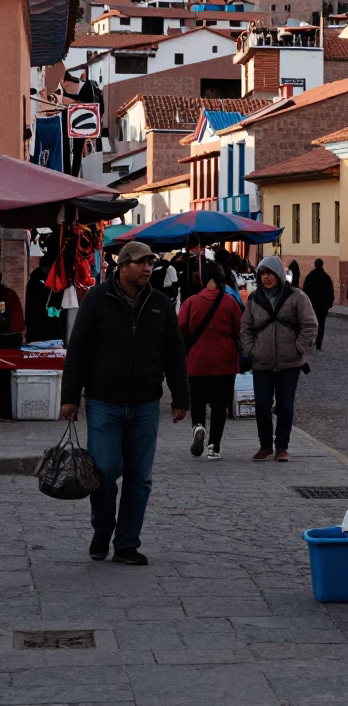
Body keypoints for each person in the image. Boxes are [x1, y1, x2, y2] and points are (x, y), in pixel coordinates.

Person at [59, 241, 189, 566]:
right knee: (102, 471)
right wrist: (69, 397)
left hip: (146, 403)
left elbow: (174, 353)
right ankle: (103, 529)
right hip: (104, 401)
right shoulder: (97, 300)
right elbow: (78, 350)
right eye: (142, 263)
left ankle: (127, 543)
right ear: (124, 265)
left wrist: (181, 397)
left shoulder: (159, 304)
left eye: (150, 263)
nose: (148, 268)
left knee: (139, 476)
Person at [239, 255, 318, 462]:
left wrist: (298, 348)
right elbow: (245, 328)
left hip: (289, 363)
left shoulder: (297, 297)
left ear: (279, 275)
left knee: (285, 406)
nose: (266, 278)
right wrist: (251, 350)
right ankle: (265, 445)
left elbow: (310, 325)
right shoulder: (254, 299)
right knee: (262, 406)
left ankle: (282, 447)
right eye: (263, 274)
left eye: (270, 274)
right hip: (262, 362)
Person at [178, 259, 242, 460]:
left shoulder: (191, 302)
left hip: (198, 361)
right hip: (225, 362)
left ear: (203, 279)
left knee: (197, 401)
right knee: (219, 405)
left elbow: (180, 328)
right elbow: (239, 329)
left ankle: (198, 426)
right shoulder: (230, 302)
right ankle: (214, 447)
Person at [303, 258, 335, 350]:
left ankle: (310, 341)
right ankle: (318, 344)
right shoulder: (327, 277)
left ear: (315, 265)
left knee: (311, 324)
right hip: (323, 306)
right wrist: (330, 303)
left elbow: (305, 290)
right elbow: (331, 292)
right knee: (321, 324)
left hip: (312, 305)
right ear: (322, 265)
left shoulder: (310, 276)